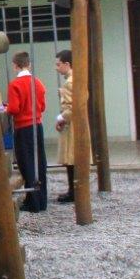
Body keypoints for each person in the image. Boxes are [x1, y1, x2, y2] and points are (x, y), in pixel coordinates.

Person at [5, 51, 47, 212]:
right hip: (37, 125)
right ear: (29, 64)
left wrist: (6, 108)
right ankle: (41, 200)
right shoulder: (38, 82)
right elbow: (42, 106)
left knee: (26, 163)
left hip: (23, 127)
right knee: (39, 162)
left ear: (15, 65)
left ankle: (32, 201)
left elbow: (14, 109)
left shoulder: (14, 85)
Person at [54, 49, 77, 204]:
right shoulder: (74, 79)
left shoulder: (70, 82)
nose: (57, 68)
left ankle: (73, 191)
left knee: (71, 158)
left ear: (67, 64)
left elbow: (72, 106)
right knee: (71, 159)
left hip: (71, 125)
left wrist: (60, 117)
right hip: (73, 123)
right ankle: (73, 190)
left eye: (58, 64)